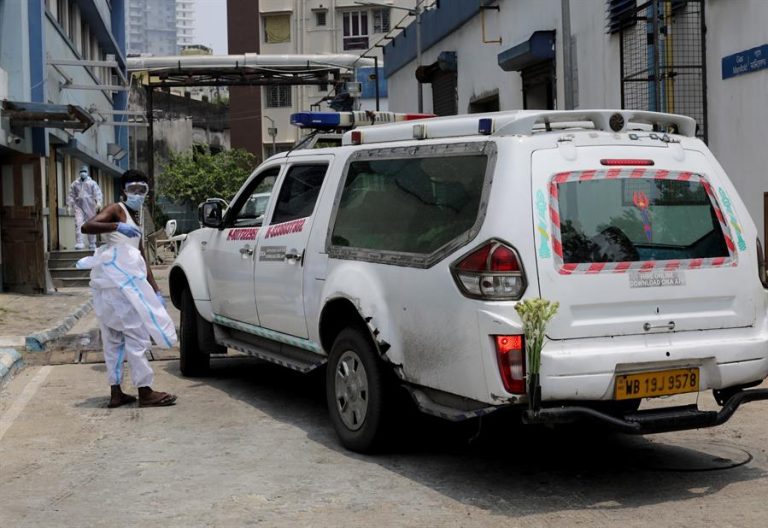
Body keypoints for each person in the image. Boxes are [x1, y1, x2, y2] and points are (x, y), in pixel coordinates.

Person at [80, 169, 178, 408]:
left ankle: (116, 393)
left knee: (113, 339)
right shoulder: (116, 210)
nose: (137, 194)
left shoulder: (137, 216)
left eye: (142, 190)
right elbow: (87, 226)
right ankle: (145, 392)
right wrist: (116, 227)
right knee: (137, 337)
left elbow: (141, 255)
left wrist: (154, 289)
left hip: (117, 286)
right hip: (119, 287)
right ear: (123, 190)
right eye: (133, 189)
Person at [68, 166, 103, 250]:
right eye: (81, 171)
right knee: (78, 223)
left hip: (90, 206)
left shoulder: (92, 183)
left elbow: (98, 193)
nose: (82, 173)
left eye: (84, 171)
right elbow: (71, 195)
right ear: (79, 173)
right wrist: (69, 205)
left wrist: (98, 202)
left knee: (91, 224)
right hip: (79, 206)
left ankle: (92, 242)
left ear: (87, 172)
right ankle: (79, 242)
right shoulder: (75, 183)